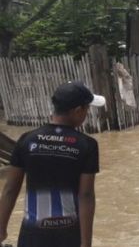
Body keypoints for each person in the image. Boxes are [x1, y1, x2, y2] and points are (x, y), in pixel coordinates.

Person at [0, 81, 105, 247]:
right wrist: (86, 244)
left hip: (32, 232)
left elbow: (10, 188)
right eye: (87, 109)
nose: (86, 114)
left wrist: (1, 227)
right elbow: (86, 195)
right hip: (69, 233)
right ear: (78, 111)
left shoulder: (27, 139)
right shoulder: (87, 145)